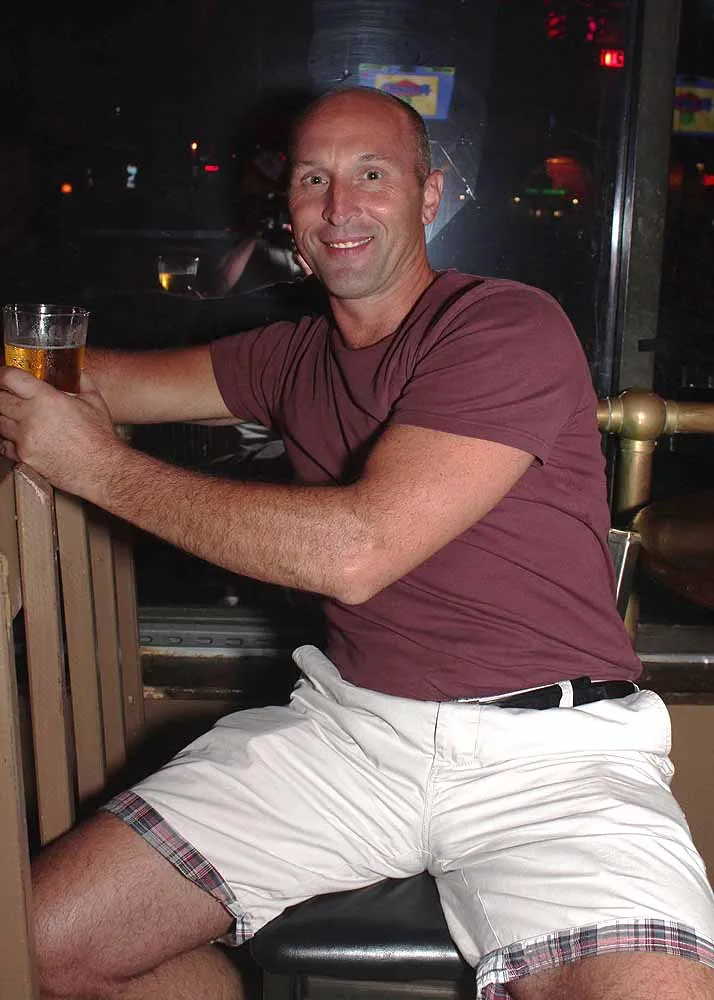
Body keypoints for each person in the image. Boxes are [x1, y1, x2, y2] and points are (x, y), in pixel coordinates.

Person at [0, 86, 713, 1000]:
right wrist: (30, 379)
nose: (340, 206)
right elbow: (96, 380)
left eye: (372, 175)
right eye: (314, 180)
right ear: (288, 211)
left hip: (552, 759)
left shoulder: (505, 325)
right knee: (36, 949)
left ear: (428, 194)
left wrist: (97, 467)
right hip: (351, 733)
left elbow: (356, 552)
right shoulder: (289, 357)